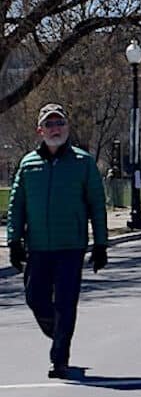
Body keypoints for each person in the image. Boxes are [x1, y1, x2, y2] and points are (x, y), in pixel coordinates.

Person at [6, 103, 108, 378]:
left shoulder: (83, 162)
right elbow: (17, 204)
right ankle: (57, 330)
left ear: (67, 127)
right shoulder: (28, 164)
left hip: (70, 246)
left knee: (65, 302)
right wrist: (13, 241)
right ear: (40, 130)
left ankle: (60, 357)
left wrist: (101, 245)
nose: (55, 129)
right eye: (49, 124)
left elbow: (97, 205)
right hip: (38, 246)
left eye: (59, 123)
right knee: (34, 298)